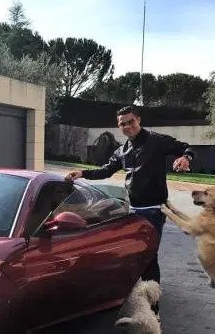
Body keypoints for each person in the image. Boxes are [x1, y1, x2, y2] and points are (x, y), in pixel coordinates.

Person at [65, 105, 195, 318]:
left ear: (138, 120)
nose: (127, 126)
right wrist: (82, 173)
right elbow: (106, 170)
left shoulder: (156, 141)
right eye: (122, 124)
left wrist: (186, 158)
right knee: (135, 256)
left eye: (130, 121)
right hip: (132, 211)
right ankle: (137, 299)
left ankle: (153, 311)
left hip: (153, 211)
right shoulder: (122, 150)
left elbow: (186, 147)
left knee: (149, 257)